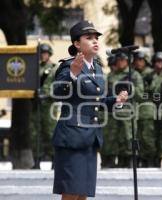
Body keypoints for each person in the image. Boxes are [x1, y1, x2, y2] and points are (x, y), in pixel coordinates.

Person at [52, 20, 128, 200]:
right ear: (77, 43)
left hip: (91, 136)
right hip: (72, 135)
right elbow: (57, 92)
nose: (95, 41)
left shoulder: (98, 69)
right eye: (89, 38)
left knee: (83, 192)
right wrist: (73, 74)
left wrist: (115, 101)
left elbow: (97, 101)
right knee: (71, 191)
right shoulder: (68, 66)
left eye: (96, 38)